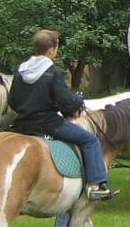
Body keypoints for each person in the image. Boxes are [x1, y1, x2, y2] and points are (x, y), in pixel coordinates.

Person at [9, 30, 115, 201]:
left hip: (22, 124)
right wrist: (77, 103)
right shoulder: (53, 72)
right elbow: (64, 100)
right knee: (90, 140)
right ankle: (96, 185)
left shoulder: (21, 70)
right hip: (48, 123)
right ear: (51, 50)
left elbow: (12, 100)